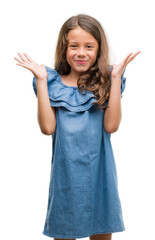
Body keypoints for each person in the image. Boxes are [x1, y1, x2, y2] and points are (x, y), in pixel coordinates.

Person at [14, 14, 140, 240]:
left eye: (89, 46)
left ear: (98, 49)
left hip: (100, 175)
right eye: (74, 46)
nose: (81, 53)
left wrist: (115, 76)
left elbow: (111, 126)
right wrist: (42, 82)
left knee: (101, 230)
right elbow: (48, 128)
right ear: (64, 48)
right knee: (64, 231)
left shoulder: (107, 81)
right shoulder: (52, 82)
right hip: (66, 179)